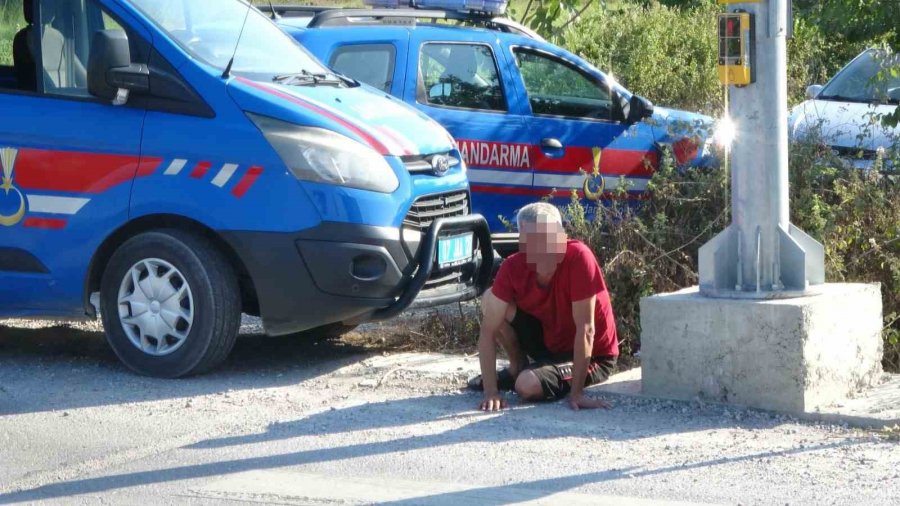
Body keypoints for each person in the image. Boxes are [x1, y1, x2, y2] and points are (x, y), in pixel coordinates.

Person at [469, 202, 619, 411]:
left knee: (526, 385)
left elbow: (586, 330)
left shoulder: (579, 257)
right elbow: (487, 332)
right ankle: (516, 366)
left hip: (593, 353)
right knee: (489, 299)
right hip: (550, 341)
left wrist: (576, 394)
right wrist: (491, 393)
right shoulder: (513, 266)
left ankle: (530, 375)